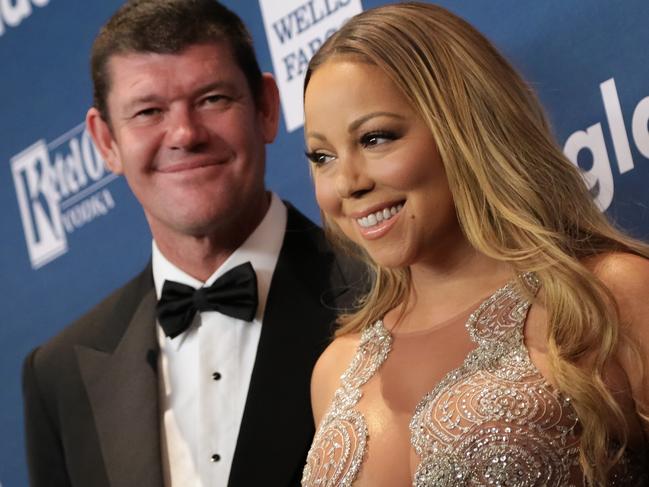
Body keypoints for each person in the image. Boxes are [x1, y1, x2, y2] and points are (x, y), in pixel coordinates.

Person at [300, 2, 649, 486]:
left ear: (463, 125)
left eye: (376, 138)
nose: (347, 183)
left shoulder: (608, 297)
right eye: (322, 156)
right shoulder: (335, 370)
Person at [21, 1, 362, 486]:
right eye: (148, 111)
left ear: (266, 107)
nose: (184, 133)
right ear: (105, 142)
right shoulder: (59, 374)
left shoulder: (384, 290)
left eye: (212, 99)